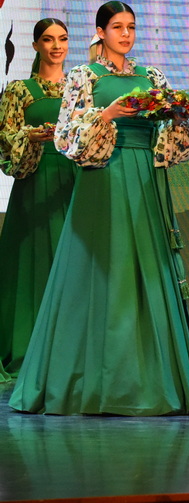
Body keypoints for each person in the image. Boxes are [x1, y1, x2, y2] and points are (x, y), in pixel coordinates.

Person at [9, 1, 189, 415]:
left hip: (146, 179)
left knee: (147, 267)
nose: (126, 34)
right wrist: (108, 114)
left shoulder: (151, 76)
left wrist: (176, 116)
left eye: (131, 27)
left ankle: (152, 379)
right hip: (104, 177)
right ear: (100, 32)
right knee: (101, 269)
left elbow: (176, 140)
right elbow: (67, 136)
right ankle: (87, 380)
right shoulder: (83, 76)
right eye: (117, 27)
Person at [0, 19, 78, 377]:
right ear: (35, 46)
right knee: (31, 264)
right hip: (36, 181)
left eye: (62, 39)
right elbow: (6, 138)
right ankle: (27, 349)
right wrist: (32, 136)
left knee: (74, 263)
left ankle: (72, 352)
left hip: (76, 182)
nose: (56, 46)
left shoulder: (80, 88)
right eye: (48, 40)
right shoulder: (19, 90)